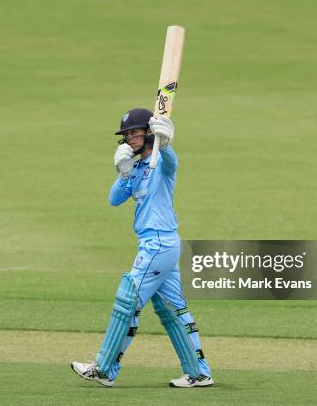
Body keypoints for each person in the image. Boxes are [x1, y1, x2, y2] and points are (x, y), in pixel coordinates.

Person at [71, 108, 213, 388]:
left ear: (149, 133)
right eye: (125, 136)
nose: (128, 140)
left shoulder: (161, 163)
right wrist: (123, 174)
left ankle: (103, 368)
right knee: (172, 310)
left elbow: (172, 163)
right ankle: (198, 373)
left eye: (133, 134)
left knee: (127, 301)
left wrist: (167, 144)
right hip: (161, 246)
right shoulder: (134, 171)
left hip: (158, 243)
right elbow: (114, 199)